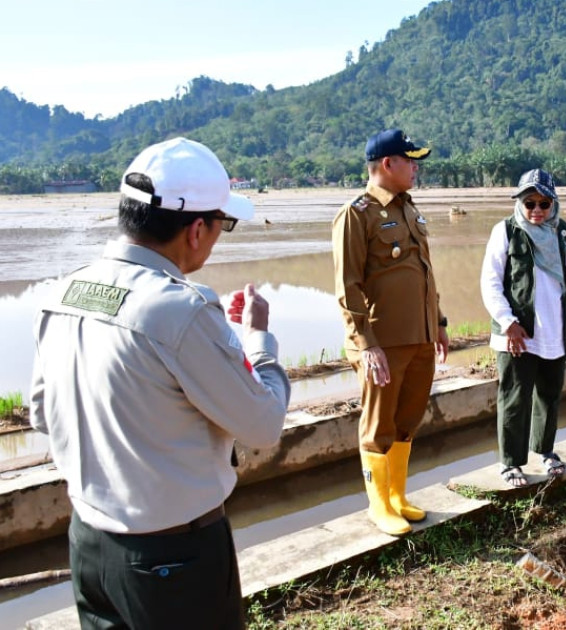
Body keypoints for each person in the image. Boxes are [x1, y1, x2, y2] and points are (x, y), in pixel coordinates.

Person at [29, 137, 290, 630]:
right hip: (172, 559)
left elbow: (42, 413)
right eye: (222, 225)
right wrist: (258, 342)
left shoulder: (65, 292)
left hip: (89, 543)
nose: (216, 239)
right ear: (196, 229)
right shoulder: (180, 310)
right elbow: (264, 423)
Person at [332, 129, 449, 535]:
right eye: (410, 160)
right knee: (379, 423)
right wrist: (366, 345)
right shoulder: (357, 214)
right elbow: (348, 287)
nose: (416, 167)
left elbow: (425, 272)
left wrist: (440, 322)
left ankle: (397, 495)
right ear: (387, 164)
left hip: (418, 336)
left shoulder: (408, 208)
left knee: (408, 419)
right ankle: (378, 505)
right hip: (382, 342)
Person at [479, 169, 566, 487]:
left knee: (549, 394)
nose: (536, 210)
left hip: (554, 330)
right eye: (529, 202)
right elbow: (490, 283)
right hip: (519, 332)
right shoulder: (505, 231)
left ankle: (545, 451)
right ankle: (510, 463)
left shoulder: (562, 233)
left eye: (543, 204)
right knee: (515, 396)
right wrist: (509, 323)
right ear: (519, 202)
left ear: (553, 204)